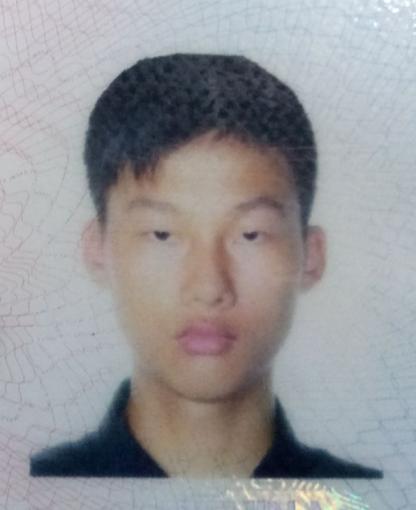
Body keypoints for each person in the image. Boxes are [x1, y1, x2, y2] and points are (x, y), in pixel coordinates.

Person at [30, 53, 383, 478]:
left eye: (250, 235)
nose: (209, 287)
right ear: (98, 249)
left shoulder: (363, 496)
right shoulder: (38, 489)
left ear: (311, 256)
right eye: (163, 234)